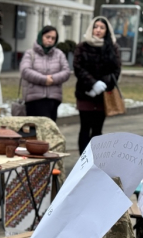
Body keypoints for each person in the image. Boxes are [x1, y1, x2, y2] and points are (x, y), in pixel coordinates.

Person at [73, 17, 121, 155]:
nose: (98, 30)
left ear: (107, 31)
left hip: (103, 95)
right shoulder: (82, 46)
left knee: (97, 129)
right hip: (85, 93)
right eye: (96, 27)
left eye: (102, 27)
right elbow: (78, 67)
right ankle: (83, 159)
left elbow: (116, 70)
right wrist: (92, 84)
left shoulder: (112, 47)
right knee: (84, 127)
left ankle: (95, 159)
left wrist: (103, 84)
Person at [19, 25, 70, 122]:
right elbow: (25, 71)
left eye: (53, 38)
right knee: (35, 134)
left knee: (49, 133)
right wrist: (44, 79)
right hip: (34, 100)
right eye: (47, 37)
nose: (50, 40)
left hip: (53, 100)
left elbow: (66, 71)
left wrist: (53, 79)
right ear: (41, 36)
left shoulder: (59, 54)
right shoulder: (30, 53)